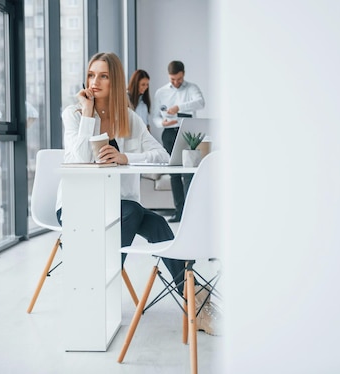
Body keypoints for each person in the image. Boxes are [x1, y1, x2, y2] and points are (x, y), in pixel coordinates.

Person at [55, 52, 219, 335]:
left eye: (103, 75)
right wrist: (89, 114)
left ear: (115, 80)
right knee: (132, 212)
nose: (95, 81)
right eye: (91, 75)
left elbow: (161, 154)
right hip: (79, 206)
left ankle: (198, 305)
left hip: (120, 207)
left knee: (157, 223)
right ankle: (96, 287)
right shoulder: (74, 114)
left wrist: (125, 158)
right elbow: (76, 159)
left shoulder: (128, 118)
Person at [152, 60, 205, 222]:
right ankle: (179, 212)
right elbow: (155, 117)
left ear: (183, 74)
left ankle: (192, 212)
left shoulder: (192, 88)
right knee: (174, 172)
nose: (176, 82)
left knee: (188, 172)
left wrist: (178, 107)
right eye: (173, 79)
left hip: (189, 133)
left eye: (179, 79)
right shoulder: (161, 92)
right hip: (169, 133)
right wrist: (162, 123)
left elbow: (201, 103)